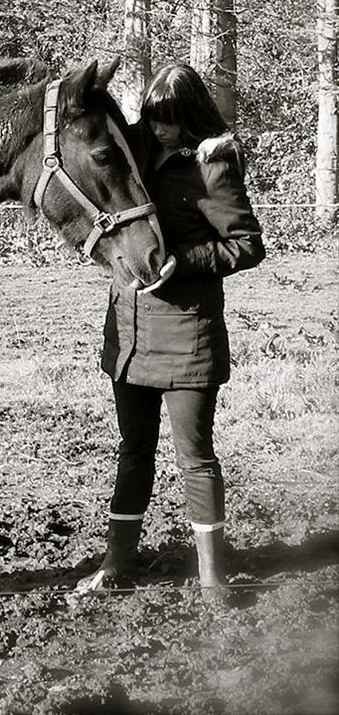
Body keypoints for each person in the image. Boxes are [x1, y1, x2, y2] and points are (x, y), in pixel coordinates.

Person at [77, 62, 265, 597]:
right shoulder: (131, 151)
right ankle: (116, 565)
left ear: (192, 117)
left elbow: (248, 244)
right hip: (132, 330)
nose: (161, 129)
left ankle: (212, 579)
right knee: (133, 450)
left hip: (189, 333)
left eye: (172, 120)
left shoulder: (212, 167)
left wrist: (184, 261)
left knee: (195, 457)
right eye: (155, 118)